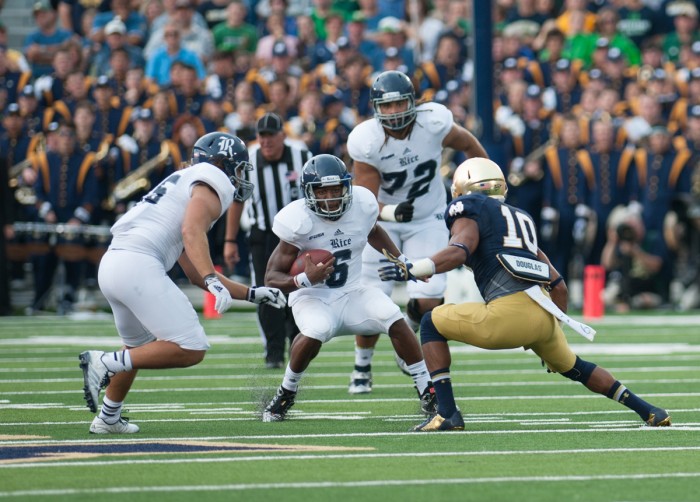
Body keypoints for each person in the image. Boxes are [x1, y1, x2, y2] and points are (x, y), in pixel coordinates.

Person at [379, 157, 671, 431]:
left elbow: (461, 249)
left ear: (462, 190)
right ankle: (649, 410)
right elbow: (559, 285)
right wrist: (551, 331)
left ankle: (447, 413)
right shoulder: (519, 218)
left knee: (430, 323)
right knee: (576, 367)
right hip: (544, 313)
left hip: (509, 314)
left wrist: (418, 267)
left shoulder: (470, 208)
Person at [78, 132, 287, 434]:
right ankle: (102, 362)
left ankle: (108, 416)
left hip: (114, 264)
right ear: (221, 163)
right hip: (137, 263)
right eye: (238, 168)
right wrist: (212, 280)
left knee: (138, 347)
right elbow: (192, 232)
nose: (240, 176)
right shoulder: (213, 178)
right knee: (192, 347)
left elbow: (191, 268)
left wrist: (252, 293)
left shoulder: (183, 181)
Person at [261, 154, 435, 422]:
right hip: (312, 296)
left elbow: (373, 231)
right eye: (322, 190)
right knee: (315, 330)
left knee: (394, 317)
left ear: (347, 187)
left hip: (353, 291)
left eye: (335, 189)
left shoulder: (362, 205)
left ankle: (427, 391)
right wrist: (304, 279)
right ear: (309, 192)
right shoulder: (298, 221)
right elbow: (271, 277)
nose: (330, 197)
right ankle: (286, 392)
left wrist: (401, 261)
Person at [345, 70, 488, 394]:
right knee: (372, 299)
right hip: (381, 223)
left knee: (429, 300)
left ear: (413, 103)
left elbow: (468, 144)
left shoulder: (434, 121)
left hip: (428, 217)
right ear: (376, 108)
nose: (394, 112)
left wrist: (481, 180)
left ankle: (420, 356)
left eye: (400, 105)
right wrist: (391, 211)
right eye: (388, 106)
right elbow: (365, 197)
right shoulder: (366, 140)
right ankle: (362, 364)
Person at [224, 112, 312, 369]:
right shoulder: (248, 163)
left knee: (300, 288)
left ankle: (298, 345)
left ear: (282, 135)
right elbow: (238, 201)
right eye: (262, 136)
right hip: (264, 234)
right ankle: (273, 353)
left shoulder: (302, 157)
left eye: (271, 135)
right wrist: (230, 240)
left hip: (300, 235)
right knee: (267, 291)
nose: (266, 141)